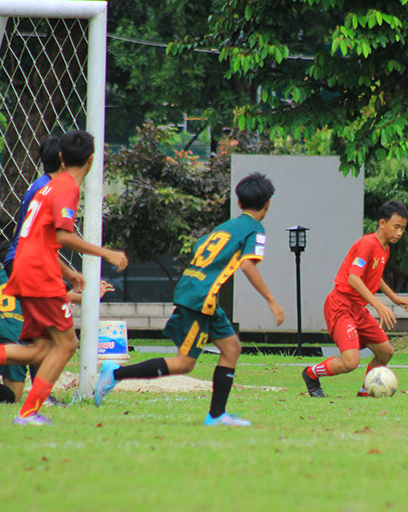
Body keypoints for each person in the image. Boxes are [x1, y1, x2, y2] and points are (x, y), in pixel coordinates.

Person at [0, 130, 129, 425]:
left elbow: (41, 235)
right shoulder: (68, 188)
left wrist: (68, 272)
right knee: (67, 345)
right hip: (38, 271)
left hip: (25, 265)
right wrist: (106, 253)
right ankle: (26, 410)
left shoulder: (46, 186)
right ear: (92, 160)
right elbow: (63, 235)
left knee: (42, 349)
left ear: (62, 158)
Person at [92, 172, 285, 426]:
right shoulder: (255, 229)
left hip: (201, 294)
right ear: (268, 204)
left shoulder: (226, 227)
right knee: (183, 363)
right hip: (199, 298)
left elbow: (199, 247)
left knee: (232, 348)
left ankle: (216, 416)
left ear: (239, 202)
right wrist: (271, 300)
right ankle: (115, 373)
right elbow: (248, 265)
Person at [302, 200, 408, 398]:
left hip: (358, 309)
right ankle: (311, 374)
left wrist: (393, 297)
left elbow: (375, 276)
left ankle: (365, 392)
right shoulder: (367, 244)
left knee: (386, 352)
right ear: (382, 223)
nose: (399, 233)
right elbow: (353, 278)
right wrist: (378, 305)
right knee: (350, 362)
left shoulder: (385, 249)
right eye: (396, 227)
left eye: (402, 228)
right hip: (341, 305)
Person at [0, 266, 113, 404]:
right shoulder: (33, 273)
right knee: (14, 396)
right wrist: (92, 295)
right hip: (16, 331)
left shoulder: (0, 275)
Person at [5, 137, 62, 277]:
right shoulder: (47, 190)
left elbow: (18, 228)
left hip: (21, 257)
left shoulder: (39, 184)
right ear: (63, 159)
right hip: (26, 260)